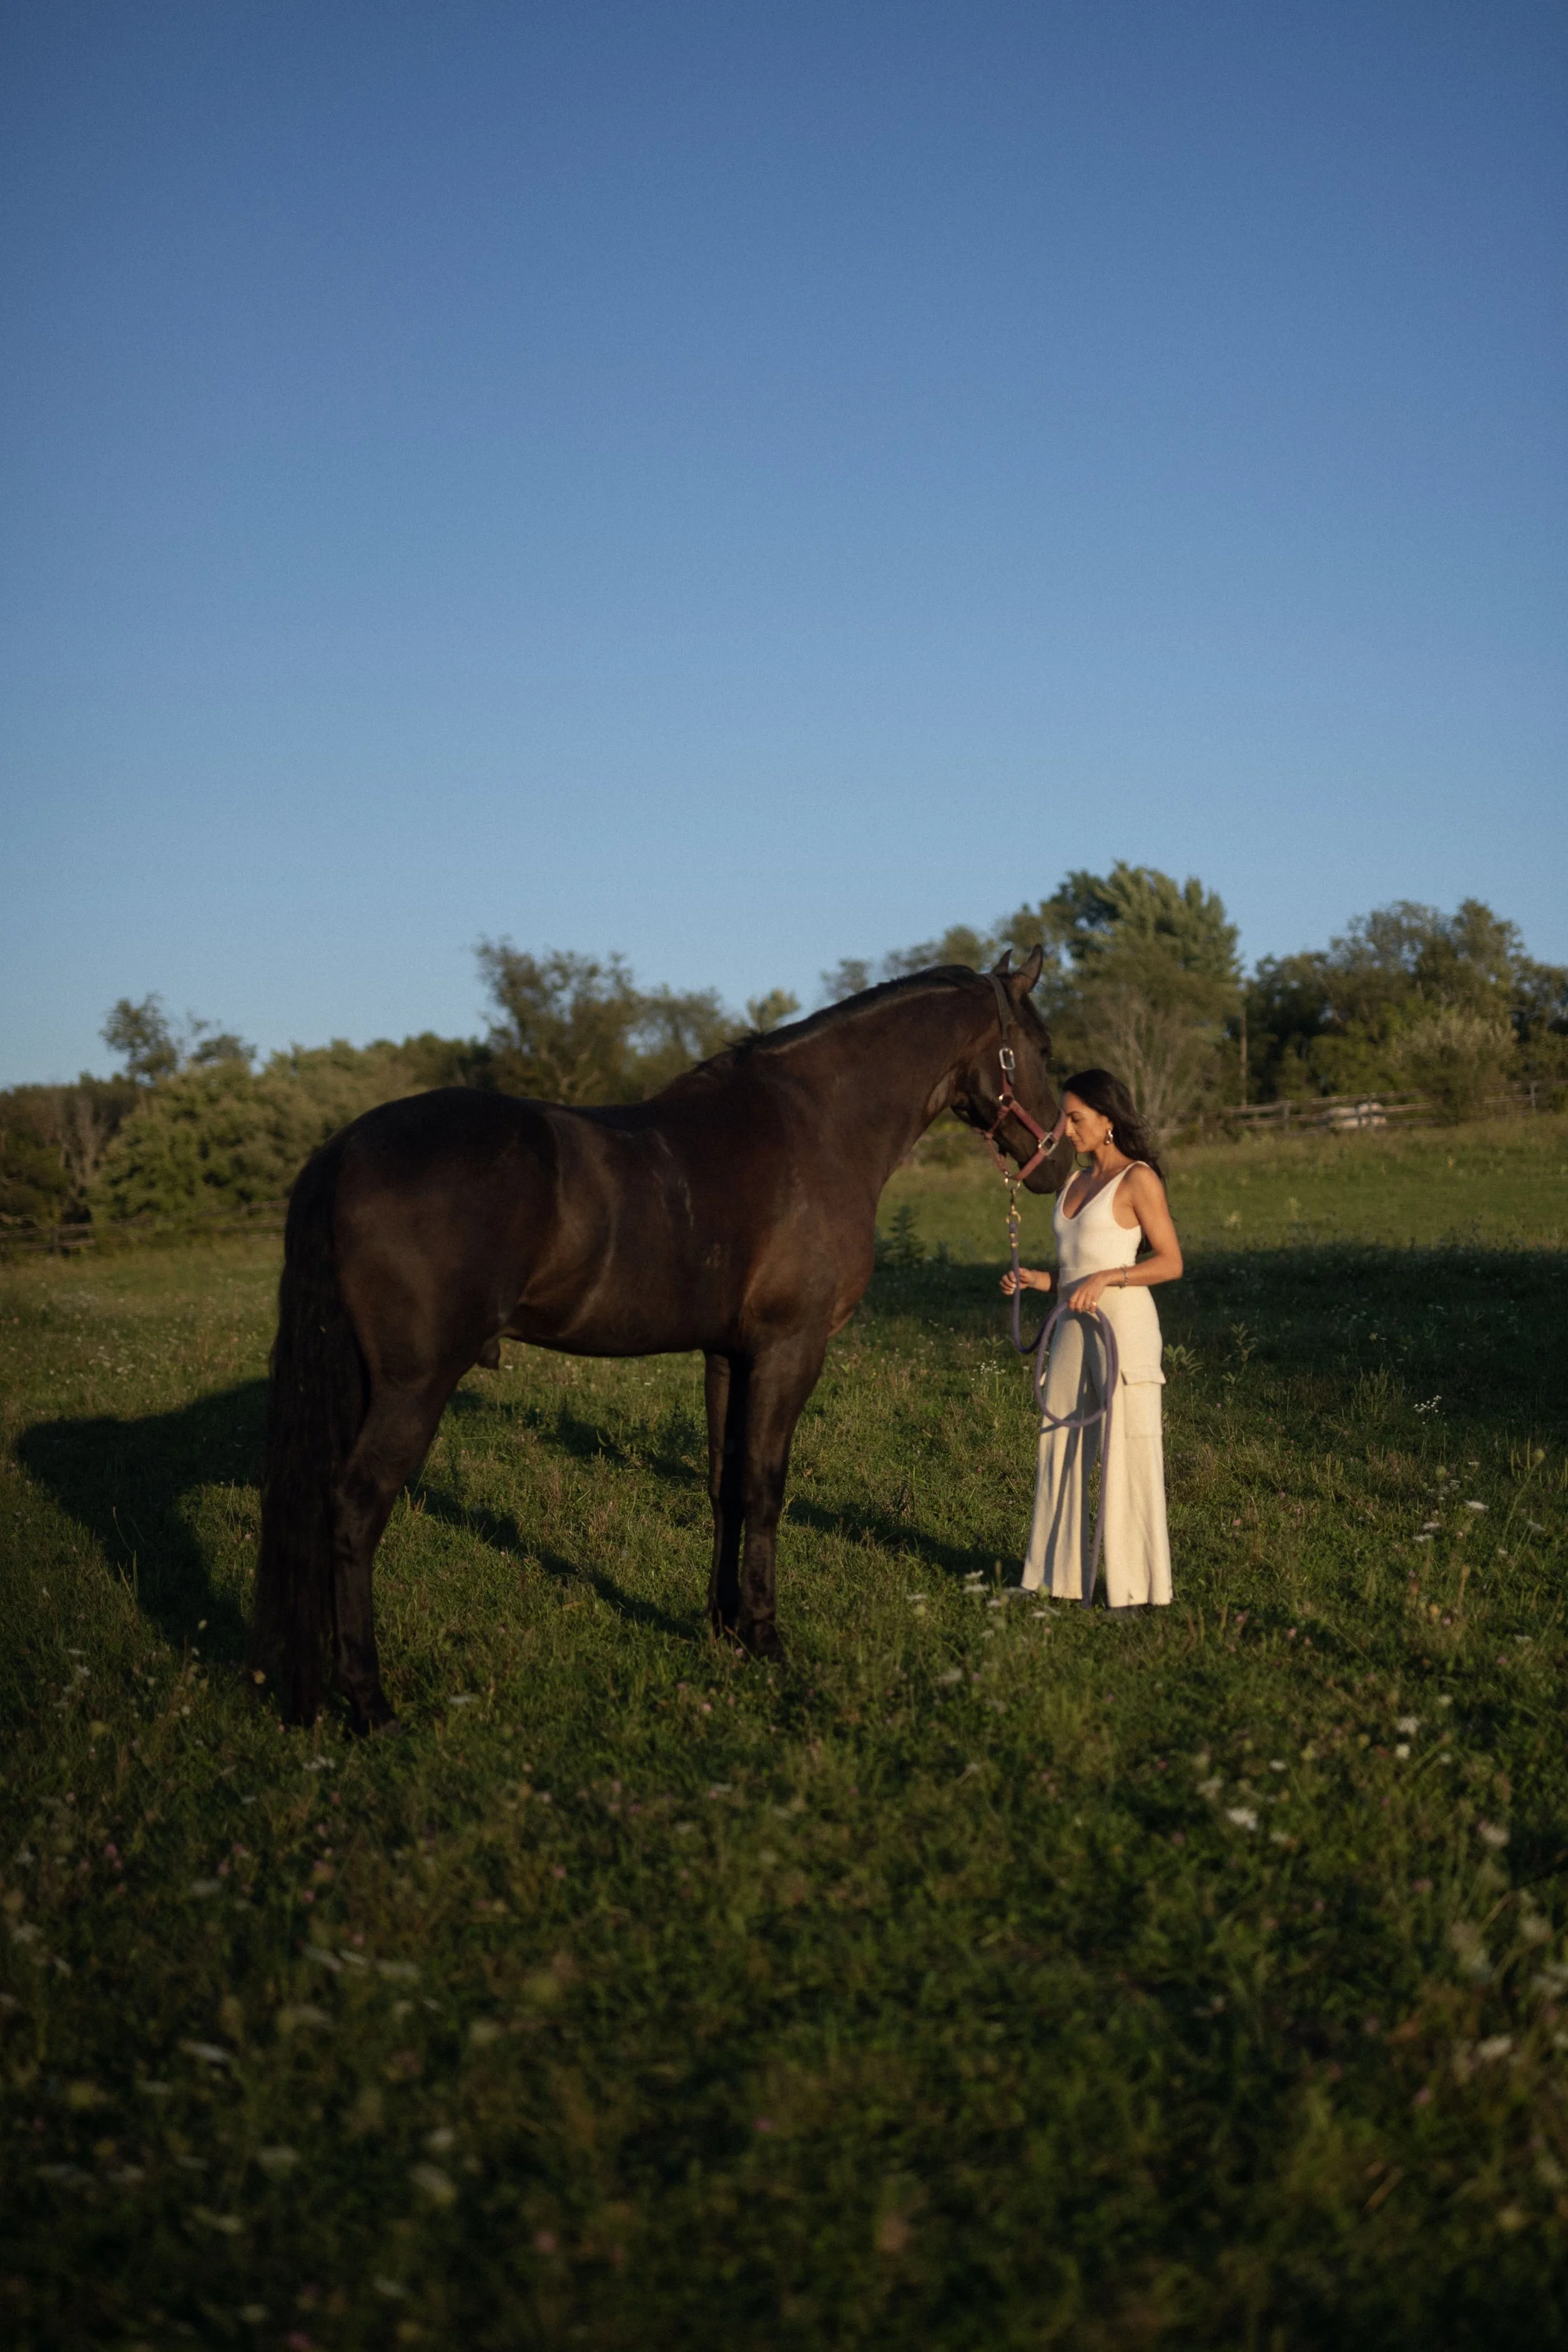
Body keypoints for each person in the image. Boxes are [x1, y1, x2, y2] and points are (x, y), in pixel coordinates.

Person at [1000, 1068, 1183, 1607]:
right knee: (1057, 1443)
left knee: (1127, 1454)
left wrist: (1110, 1278)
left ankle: (1138, 1591)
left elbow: (1170, 1262)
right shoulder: (1073, 1183)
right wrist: (1043, 1281)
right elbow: (1081, 1267)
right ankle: (1055, 1581)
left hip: (1123, 1328)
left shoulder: (1138, 1180)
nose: (1068, 1129)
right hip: (1071, 1326)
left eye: (1077, 1119)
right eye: (1066, 1118)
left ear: (1108, 1120)